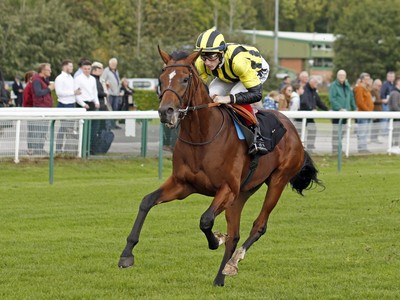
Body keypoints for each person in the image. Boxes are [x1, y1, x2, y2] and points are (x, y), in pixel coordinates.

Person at [194, 28, 270, 155]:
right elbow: (199, 90)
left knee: (234, 96)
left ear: (221, 53)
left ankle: (257, 136)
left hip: (255, 70)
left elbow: (256, 94)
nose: (207, 62)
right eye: (203, 57)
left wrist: (228, 99)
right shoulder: (201, 63)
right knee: (211, 95)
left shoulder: (239, 62)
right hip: (228, 73)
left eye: (211, 56)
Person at [54, 59, 82, 152]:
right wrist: (73, 92)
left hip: (71, 104)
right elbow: (59, 93)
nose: (72, 68)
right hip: (63, 104)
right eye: (70, 66)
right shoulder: (59, 78)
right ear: (65, 66)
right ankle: (58, 149)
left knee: (69, 128)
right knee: (63, 127)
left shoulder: (71, 78)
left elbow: (73, 92)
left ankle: (68, 148)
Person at [74, 60, 100, 151]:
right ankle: (81, 148)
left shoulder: (93, 79)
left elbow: (94, 92)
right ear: (82, 69)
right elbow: (77, 94)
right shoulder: (78, 79)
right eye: (85, 69)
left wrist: (97, 102)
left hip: (91, 103)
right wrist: (83, 104)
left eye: (89, 69)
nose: (87, 70)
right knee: (82, 127)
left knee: (93, 127)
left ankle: (90, 147)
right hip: (82, 105)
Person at [329, 69, 356, 154]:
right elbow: (332, 98)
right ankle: (335, 149)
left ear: (345, 77)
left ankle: (339, 148)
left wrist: (354, 108)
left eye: (343, 75)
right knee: (336, 131)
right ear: (337, 76)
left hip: (346, 113)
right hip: (337, 113)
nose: (342, 77)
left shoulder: (347, 86)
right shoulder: (333, 85)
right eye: (340, 75)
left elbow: (351, 98)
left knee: (343, 131)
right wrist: (339, 108)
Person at [299, 76, 329, 151]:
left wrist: (327, 110)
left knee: (312, 129)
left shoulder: (314, 91)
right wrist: (311, 109)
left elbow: (319, 102)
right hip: (301, 115)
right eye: (316, 83)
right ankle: (299, 147)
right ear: (311, 82)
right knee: (299, 132)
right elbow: (304, 102)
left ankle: (310, 147)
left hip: (309, 116)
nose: (317, 84)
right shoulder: (305, 90)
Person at [31, 63, 55, 154]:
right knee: (39, 129)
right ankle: (37, 149)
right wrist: (49, 89)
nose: (51, 71)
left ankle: (40, 149)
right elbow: (38, 93)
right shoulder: (37, 80)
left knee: (43, 130)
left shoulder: (45, 80)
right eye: (49, 70)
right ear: (43, 70)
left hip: (46, 107)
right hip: (40, 107)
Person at [353, 72, 374, 153]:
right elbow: (360, 102)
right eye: (366, 79)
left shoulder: (366, 88)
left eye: (368, 79)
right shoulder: (360, 88)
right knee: (362, 132)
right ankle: (361, 148)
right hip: (363, 113)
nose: (368, 81)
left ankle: (364, 147)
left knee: (365, 132)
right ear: (362, 80)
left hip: (367, 114)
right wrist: (368, 111)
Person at [101, 57, 121, 129]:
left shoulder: (116, 71)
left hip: (116, 93)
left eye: (115, 64)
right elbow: (102, 79)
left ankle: (113, 124)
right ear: (109, 64)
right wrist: (106, 84)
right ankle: (108, 125)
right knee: (109, 109)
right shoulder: (106, 71)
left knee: (115, 108)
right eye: (112, 64)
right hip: (110, 93)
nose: (114, 65)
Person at [22, 71, 36, 154]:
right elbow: (27, 100)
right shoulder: (29, 87)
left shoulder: (30, 86)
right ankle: (30, 148)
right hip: (30, 110)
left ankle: (32, 147)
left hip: (31, 109)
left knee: (33, 129)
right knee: (31, 130)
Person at [388, 77, 400, 154]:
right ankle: (394, 147)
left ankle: (395, 147)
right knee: (395, 132)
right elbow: (395, 106)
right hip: (395, 116)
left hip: (396, 115)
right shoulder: (395, 92)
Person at [370, 79, 383, 143]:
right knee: (375, 126)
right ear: (375, 85)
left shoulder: (378, 91)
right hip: (375, 111)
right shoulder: (372, 91)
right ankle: (373, 138)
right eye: (379, 85)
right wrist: (382, 101)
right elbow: (373, 101)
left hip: (379, 111)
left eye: (380, 86)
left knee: (377, 126)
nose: (380, 87)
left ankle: (375, 138)